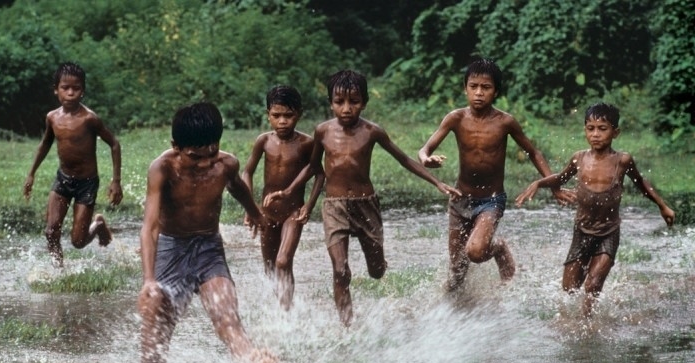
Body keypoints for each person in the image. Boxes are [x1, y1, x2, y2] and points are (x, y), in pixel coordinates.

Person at [269, 70, 460, 326]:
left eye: (354, 102)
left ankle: (379, 262)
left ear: (365, 102)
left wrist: (437, 182)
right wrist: (292, 191)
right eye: (339, 102)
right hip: (334, 207)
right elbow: (314, 167)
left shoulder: (372, 131)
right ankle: (346, 328)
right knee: (340, 270)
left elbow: (402, 159)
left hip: (365, 205)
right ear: (330, 103)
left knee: (376, 271)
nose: (346, 109)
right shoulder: (322, 131)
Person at [137, 102, 278, 363]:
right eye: (195, 156)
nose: (204, 163)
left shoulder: (226, 164)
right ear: (176, 148)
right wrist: (148, 281)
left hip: (208, 249)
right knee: (154, 343)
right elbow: (150, 226)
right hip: (171, 253)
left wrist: (254, 212)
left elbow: (238, 187)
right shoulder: (162, 168)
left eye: (211, 153)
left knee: (227, 320)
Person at [417, 58, 569, 291]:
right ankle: (458, 314)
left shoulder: (505, 122)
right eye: (473, 86)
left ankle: (497, 247)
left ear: (496, 91)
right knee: (456, 274)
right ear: (465, 88)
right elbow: (425, 149)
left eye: (486, 88)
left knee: (476, 252)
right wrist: (426, 158)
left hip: (491, 201)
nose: (479, 93)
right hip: (460, 200)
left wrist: (554, 185)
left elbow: (533, 152)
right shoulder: (455, 118)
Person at [516, 102, 675, 317]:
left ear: (615, 132)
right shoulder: (579, 158)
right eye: (590, 128)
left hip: (608, 232)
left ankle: (588, 324)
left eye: (603, 128)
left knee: (592, 285)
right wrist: (539, 183)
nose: (596, 134)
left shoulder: (622, 161)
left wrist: (662, 206)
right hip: (582, 231)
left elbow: (641, 184)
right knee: (569, 290)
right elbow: (561, 178)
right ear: (585, 130)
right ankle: (570, 323)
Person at [23, 62, 122, 267]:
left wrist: (116, 181)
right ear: (56, 90)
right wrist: (31, 173)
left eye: (75, 88)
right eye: (65, 88)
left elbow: (114, 144)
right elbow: (45, 144)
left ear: (82, 91)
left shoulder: (89, 119)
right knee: (50, 231)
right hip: (63, 179)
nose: (70, 93)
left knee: (78, 241)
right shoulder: (52, 118)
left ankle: (98, 225)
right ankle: (59, 271)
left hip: (86, 183)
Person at [241, 86, 314, 309]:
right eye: (277, 116)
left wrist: (308, 206)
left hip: (293, 213)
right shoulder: (264, 141)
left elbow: (319, 173)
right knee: (271, 267)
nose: (282, 121)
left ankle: (286, 314)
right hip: (267, 213)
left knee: (283, 261)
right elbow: (247, 172)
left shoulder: (306, 143)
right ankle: (280, 308)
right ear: (268, 115)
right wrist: (249, 207)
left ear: (299, 114)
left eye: (288, 116)